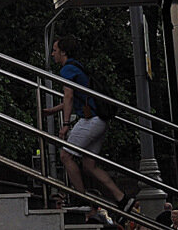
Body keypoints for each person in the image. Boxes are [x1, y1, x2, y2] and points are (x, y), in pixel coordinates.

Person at [43, 36, 135, 215]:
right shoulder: (78, 67)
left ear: (63, 52)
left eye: (55, 50)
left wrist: (66, 124)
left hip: (90, 120)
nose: (52, 53)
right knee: (89, 165)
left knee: (65, 155)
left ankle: (83, 199)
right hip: (99, 120)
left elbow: (69, 96)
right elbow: (76, 96)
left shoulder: (67, 69)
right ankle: (122, 198)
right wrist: (54, 110)